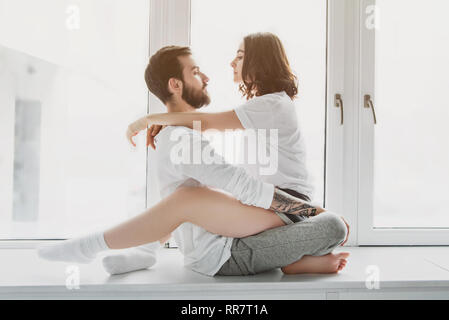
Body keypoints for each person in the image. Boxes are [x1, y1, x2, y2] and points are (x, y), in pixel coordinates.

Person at [37, 37, 349, 277]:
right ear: (176, 84)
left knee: (187, 196)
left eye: (240, 57)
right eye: (196, 72)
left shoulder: (177, 134)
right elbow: (241, 188)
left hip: (224, 242)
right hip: (225, 253)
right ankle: (90, 245)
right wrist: (313, 212)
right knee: (334, 226)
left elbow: (194, 187)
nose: (209, 77)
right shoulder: (182, 137)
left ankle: (139, 247)